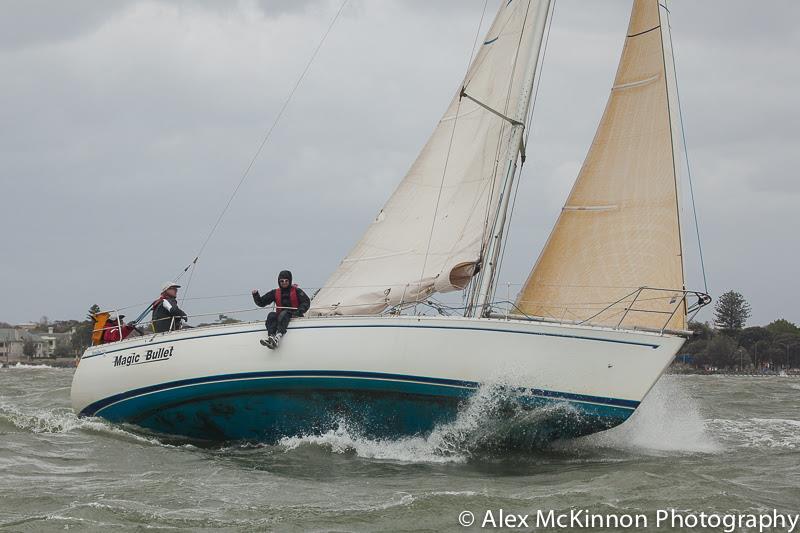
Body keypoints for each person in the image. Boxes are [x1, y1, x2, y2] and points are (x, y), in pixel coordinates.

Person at [252, 270, 310, 348]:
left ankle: (278, 336)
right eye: (282, 281)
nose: (284, 282)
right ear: (279, 282)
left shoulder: (297, 291)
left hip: (293, 314)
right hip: (281, 316)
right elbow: (262, 303)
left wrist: (299, 312)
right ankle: (271, 336)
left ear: (290, 281)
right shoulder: (275, 292)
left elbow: (306, 302)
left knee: (284, 313)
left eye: (286, 280)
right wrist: (256, 295)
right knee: (271, 315)